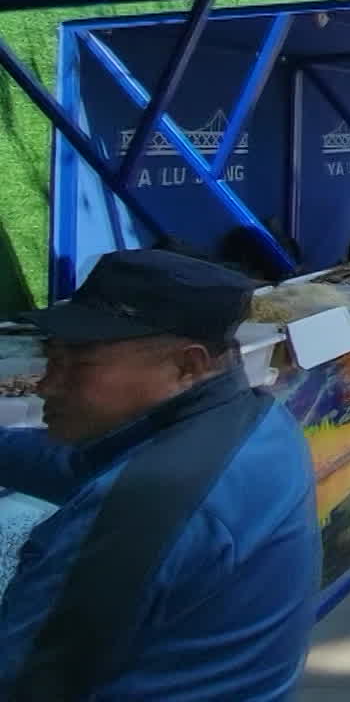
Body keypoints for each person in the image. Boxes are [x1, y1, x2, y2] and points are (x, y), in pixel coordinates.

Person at [0, 250, 319, 699]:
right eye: (49, 358)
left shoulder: (147, 505)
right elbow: (79, 468)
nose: (46, 384)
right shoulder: (254, 420)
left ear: (186, 367)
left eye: (77, 364)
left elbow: (24, 679)